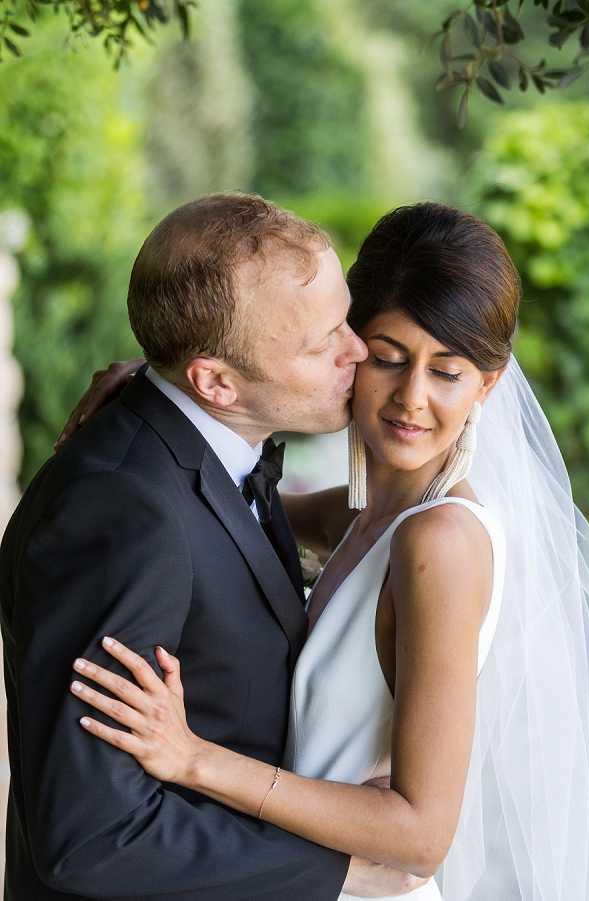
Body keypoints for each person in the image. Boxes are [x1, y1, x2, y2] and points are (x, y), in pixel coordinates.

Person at [64, 203, 589, 900]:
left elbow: (420, 833)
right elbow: (225, 511)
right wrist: (165, 387)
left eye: (448, 372)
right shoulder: (363, 508)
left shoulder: (440, 542)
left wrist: (195, 759)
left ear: (487, 386)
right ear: (348, 350)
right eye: (389, 358)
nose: (412, 399)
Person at [1, 193, 420, 900]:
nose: (359, 349)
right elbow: (93, 836)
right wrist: (337, 870)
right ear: (215, 380)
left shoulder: (198, 443)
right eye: (324, 342)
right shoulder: (119, 513)